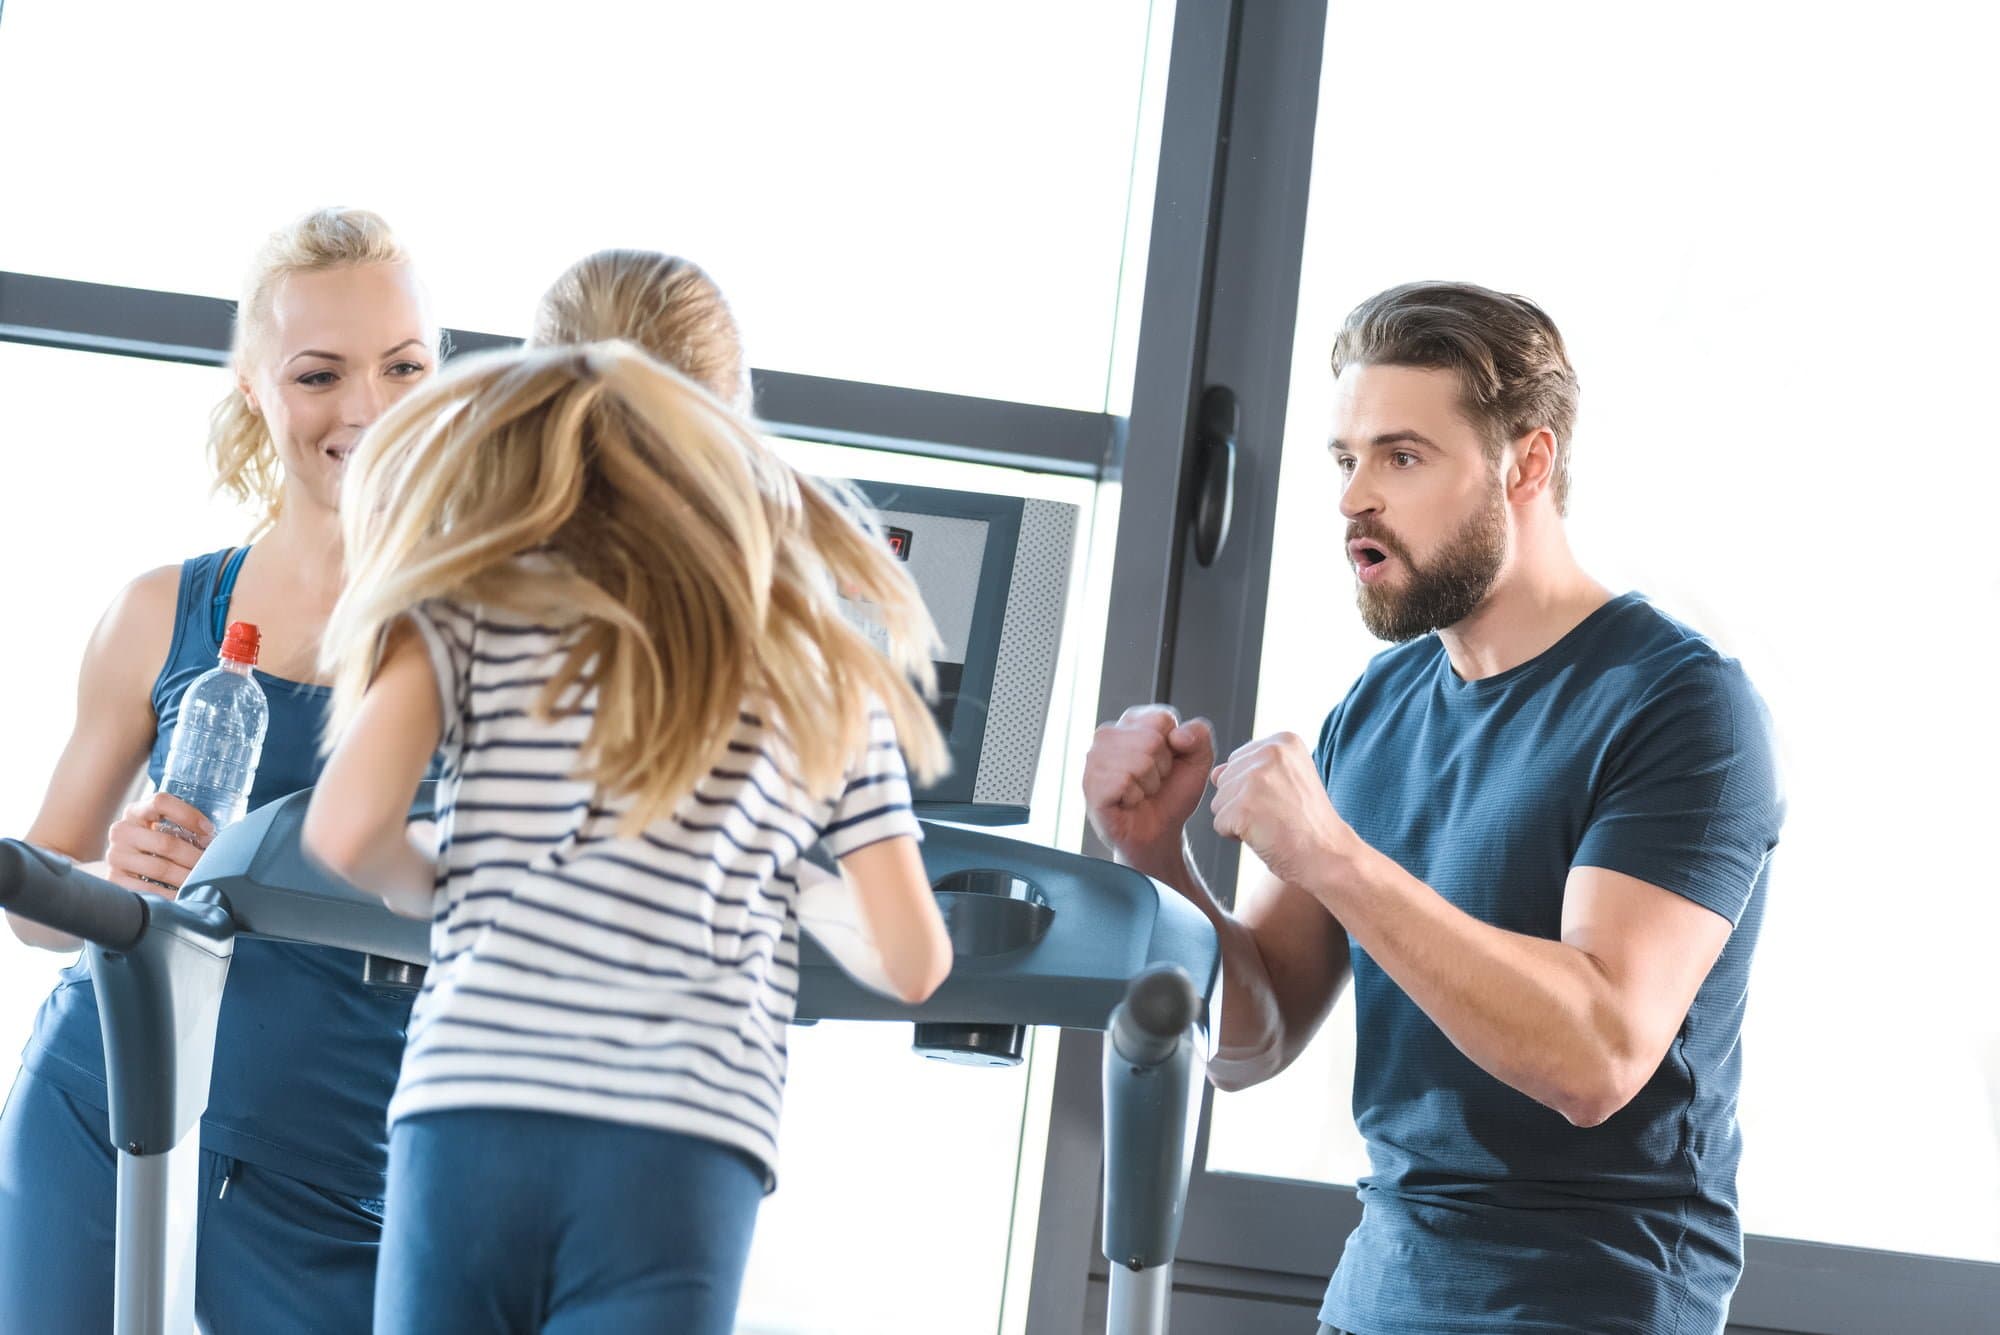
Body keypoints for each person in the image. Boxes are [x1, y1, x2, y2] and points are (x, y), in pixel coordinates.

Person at [1084, 282, 1783, 1334]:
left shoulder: (1677, 704)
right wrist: (1156, 860)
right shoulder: (1379, 703)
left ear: (1526, 464)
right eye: (1344, 459)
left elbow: (1593, 1056)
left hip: (1586, 1308)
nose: (1352, 498)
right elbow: (1251, 1040)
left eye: (1400, 458)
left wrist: (1333, 858)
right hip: (1375, 1297)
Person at [300, 334, 955, 1334]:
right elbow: (913, 961)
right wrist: (781, 879)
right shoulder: (820, 661)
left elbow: (347, 832)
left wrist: (431, 877)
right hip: (681, 1138)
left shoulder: (476, 604)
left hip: (473, 1100)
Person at [0, 206, 439, 1331]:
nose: (366, 409)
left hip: (336, 1156)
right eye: (318, 374)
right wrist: (115, 868)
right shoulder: (162, 612)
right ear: (253, 384)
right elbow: (39, 901)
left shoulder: (498, 635)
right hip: (106, 1103)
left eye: (402, 366)